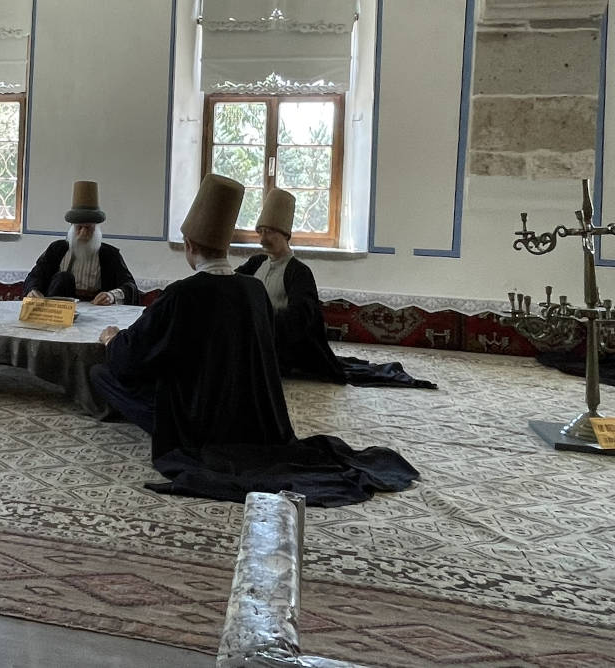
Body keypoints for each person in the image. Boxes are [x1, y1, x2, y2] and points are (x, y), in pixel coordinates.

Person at [89, 174, 419, 506]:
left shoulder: (181, 294)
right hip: (250, 416)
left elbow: (132, 357)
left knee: (102, 373)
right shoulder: (253, 289)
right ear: (226, 247)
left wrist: (112, 340)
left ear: (188, 245)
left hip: (197, 421)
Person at [236, 188, 436, 389]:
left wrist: (264, 323)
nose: (263, 239)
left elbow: (298, 320)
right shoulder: (256, 263)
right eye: (261, 232)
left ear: (285, 235)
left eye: (270, 232)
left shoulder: (298, 272)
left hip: (282, 346)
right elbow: (234, 284)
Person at [23, 181, 139, 305]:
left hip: (96, 308)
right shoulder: (56, 249)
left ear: (96, 229)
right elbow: (35, 276)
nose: (83, 233)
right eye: (79, 227)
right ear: (72, 228)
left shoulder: (110, 254)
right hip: (59, 308)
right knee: (64, 278)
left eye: (88, 228)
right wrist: (33, 290)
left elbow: (130, 285)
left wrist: (111, 296)